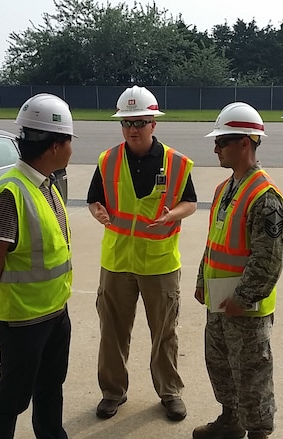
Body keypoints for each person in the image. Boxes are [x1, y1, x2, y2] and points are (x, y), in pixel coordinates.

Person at [87, 85, 197, 421]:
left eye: (140, 122)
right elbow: (95, 199)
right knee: (112, 333)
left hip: (160, 264)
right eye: (127, 123)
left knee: (164, 333)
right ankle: (112, 392)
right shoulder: (107, 160)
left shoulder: (177, 163)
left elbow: (190, 202)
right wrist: (97, 212)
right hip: (117, 262)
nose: (133, 129)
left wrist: (171, 215)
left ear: (154, 123)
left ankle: (169, 393)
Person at [0, 93, 75, 439]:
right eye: (69, 141)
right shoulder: (12, 191)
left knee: (50, 390)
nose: (71, 149)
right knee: (13, 397)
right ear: (55, 146)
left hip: (54, 313)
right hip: (21, 321)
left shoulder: (47, 183)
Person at [192, 102, 283, 439]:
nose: (215, 148)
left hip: (244, 310)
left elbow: (269, 259)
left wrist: (243, 298)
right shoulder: (225, 188)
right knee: (222, 368)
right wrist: (202, 279)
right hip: (219, 303)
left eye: (222, 142)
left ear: (245, 143)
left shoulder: (264, 196)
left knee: (252, 376)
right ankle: (230, 421)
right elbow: (214, 241)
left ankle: (258, 431)